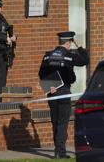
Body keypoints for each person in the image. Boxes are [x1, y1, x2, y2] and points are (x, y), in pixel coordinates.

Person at [38, 31, 89, 159]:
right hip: (64, 91)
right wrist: (79, 46)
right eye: (71, 42)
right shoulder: (69, 55)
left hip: (52, 92)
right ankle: (60, 152)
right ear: (68, 42)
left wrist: (49, 86)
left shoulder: (47, 56)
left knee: (55, 122)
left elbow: (41, 73)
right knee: (62, 122)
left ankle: (58, 150)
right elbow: (85, 60)